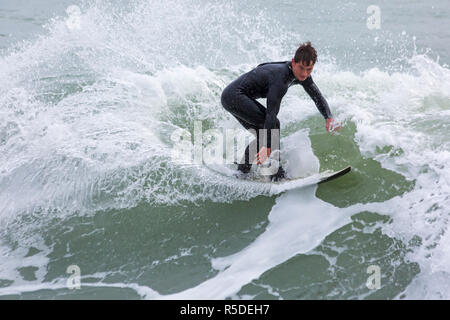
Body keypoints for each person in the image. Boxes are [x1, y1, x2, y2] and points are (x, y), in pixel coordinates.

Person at [221, 41, 340, 181]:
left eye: (309, 69)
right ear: (293, 62)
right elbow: (271, 114)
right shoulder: (280, 79)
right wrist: (267, 147)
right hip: (234, 96)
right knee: (273, 125)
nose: (304, 73)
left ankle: (242, 172)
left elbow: (316, 95)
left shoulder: (302, 75)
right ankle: (277, 175)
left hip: (233, 96)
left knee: (262, 133)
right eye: (301, 68)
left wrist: (328, 117)